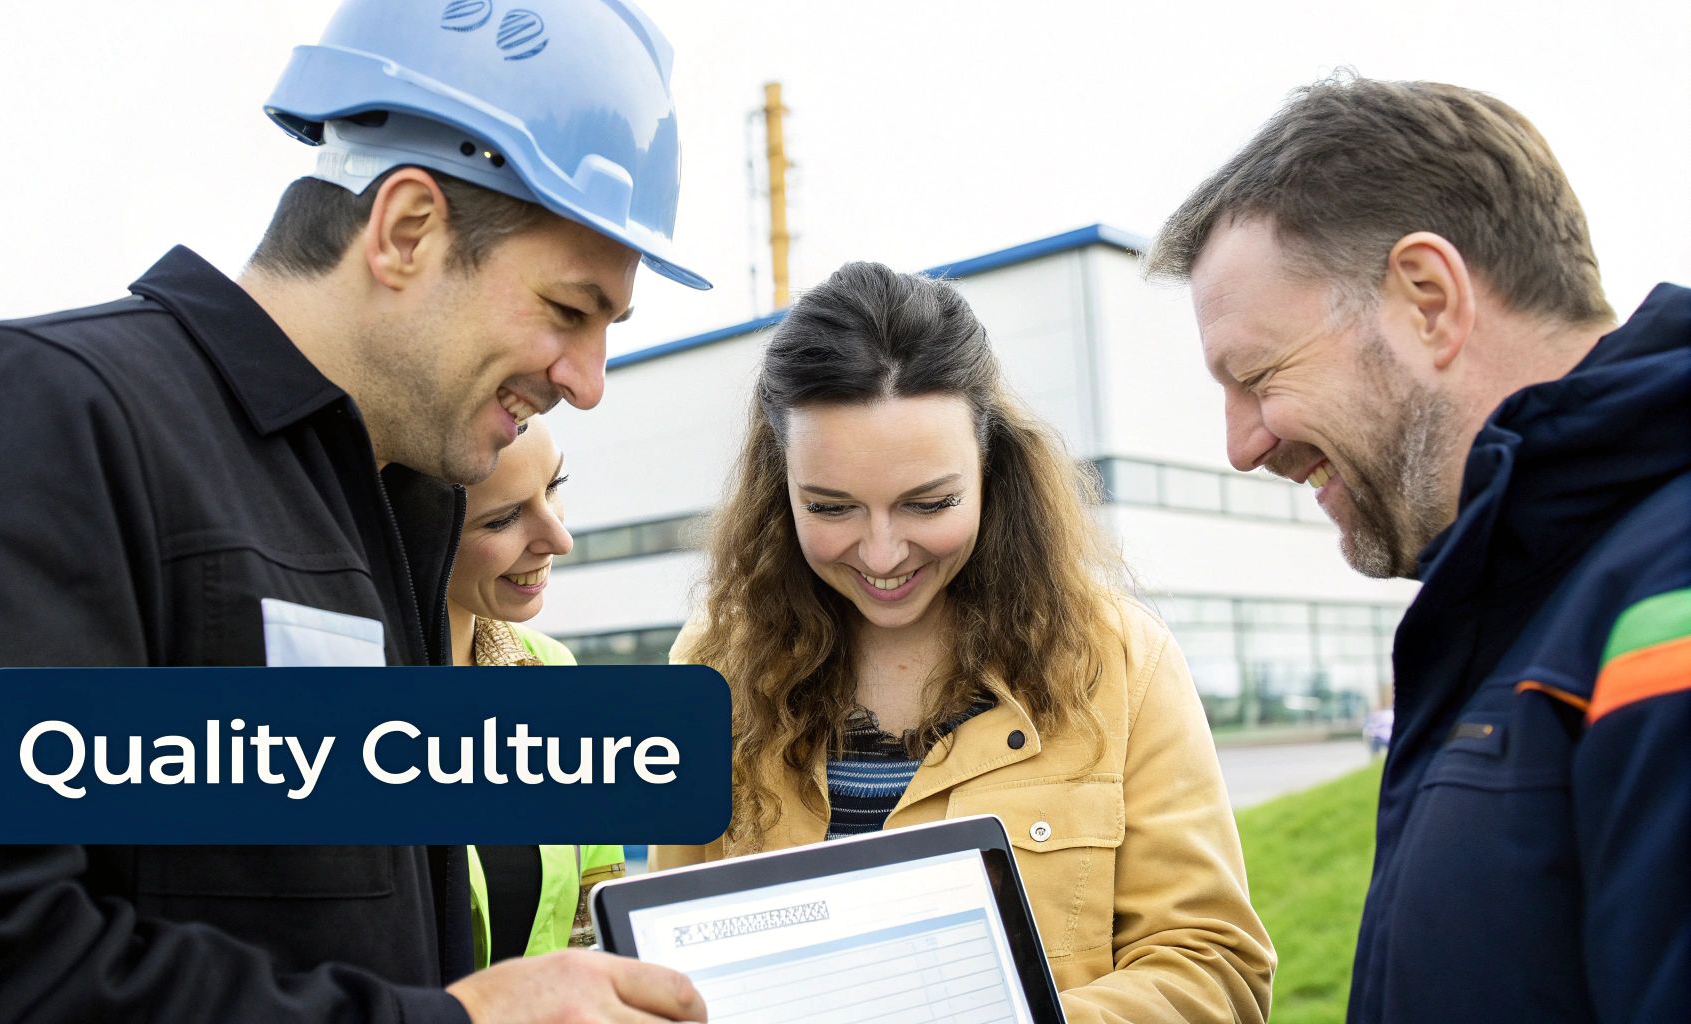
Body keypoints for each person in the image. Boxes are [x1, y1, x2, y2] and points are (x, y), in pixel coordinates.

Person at [0, 1, 712, 1021]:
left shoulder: (388, 510)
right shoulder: (41, 420)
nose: (586, 381)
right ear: (405, 230)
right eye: (569, 312)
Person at [1144, 73, 1691, 1023]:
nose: (1242, 446)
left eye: (1258, 375)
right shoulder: (1520, 593)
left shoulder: (1660, 597)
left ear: (1429, 300)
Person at [651, 262, 1275, 1022]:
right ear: (780, 487)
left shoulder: (1122, 661)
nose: (881, 555)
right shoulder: (714, 662)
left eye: (929, 503)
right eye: (832, 507)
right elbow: (666, 952)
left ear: (992, 468)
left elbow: (1214, 966)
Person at [448, 415, 626, 966]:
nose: (560, 539)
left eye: (555, 487)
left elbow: (595, 915)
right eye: (502, 519)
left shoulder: (551, 670)